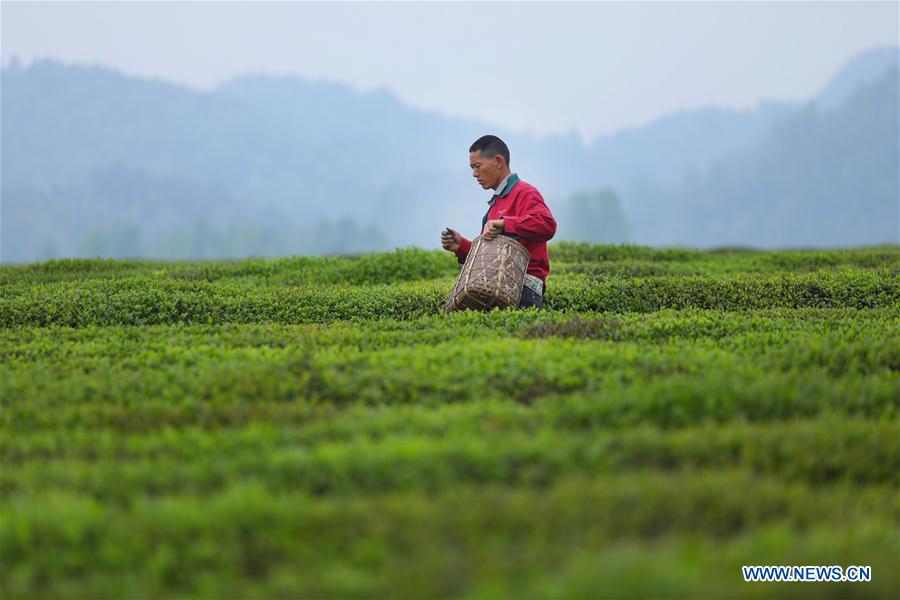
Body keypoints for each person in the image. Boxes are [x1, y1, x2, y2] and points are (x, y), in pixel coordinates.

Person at [441, 135, 557, 309]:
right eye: (472, 168)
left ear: (498, 161)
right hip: (496, 287)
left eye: (477, 166)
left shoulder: (525, 192)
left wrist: (505, 224)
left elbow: (547, 225)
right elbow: (488, 258)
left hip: (524, 290)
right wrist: (462, 246)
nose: (474, 174)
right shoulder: (495, 204)